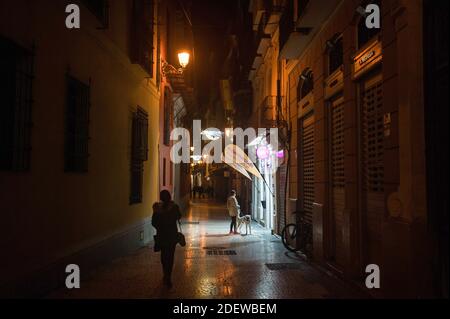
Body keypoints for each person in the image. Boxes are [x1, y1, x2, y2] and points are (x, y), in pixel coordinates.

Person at [152, 190, 182, 288]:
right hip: (172, 236)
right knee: (170, 256)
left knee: (164, 256)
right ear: (169, 197)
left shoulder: (157, 208)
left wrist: (160, 227)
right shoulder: (174, 207)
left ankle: (165, 274)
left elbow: (154, 222)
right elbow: (179, 216)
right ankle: (168, 276)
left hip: (162, 236)